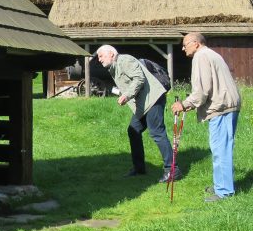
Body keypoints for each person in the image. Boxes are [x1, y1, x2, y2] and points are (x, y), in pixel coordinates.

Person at [171, 32, 241, 203]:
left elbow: (202, 91)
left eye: (185, 44)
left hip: (221, 107)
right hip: (225, 104)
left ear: (196, 43)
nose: (182, 48)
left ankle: (224, 191)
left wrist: (184, 104)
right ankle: (222, 185)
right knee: (221, 148)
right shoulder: (211, 54)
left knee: (220, 149)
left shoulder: (201, 57)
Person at [95, 45, 175, 182]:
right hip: (142, 104)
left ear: (112, 54)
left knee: (157, 133)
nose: (99, 59)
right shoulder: (114, 67)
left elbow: (139, 79)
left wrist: (126, 95)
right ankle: (139, 168)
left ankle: (172, 170)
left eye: (101, 55)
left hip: (153, 99)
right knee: (133, 130)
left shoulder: (125, 60)